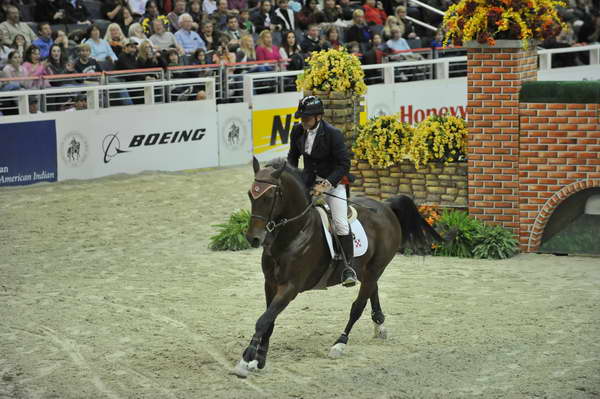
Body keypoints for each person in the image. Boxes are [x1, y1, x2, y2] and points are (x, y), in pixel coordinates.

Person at [287, 95, 357, 287]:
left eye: (306, 118)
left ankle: (348, 268)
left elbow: (344, 164)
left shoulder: (333, 134)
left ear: (318, 117)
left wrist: (325, 185)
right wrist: (290, 178)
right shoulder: (297, 131)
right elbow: (293, 158)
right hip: (308, 182)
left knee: (341, 223)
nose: (303, 121)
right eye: (301, 118)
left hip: (333, 182)